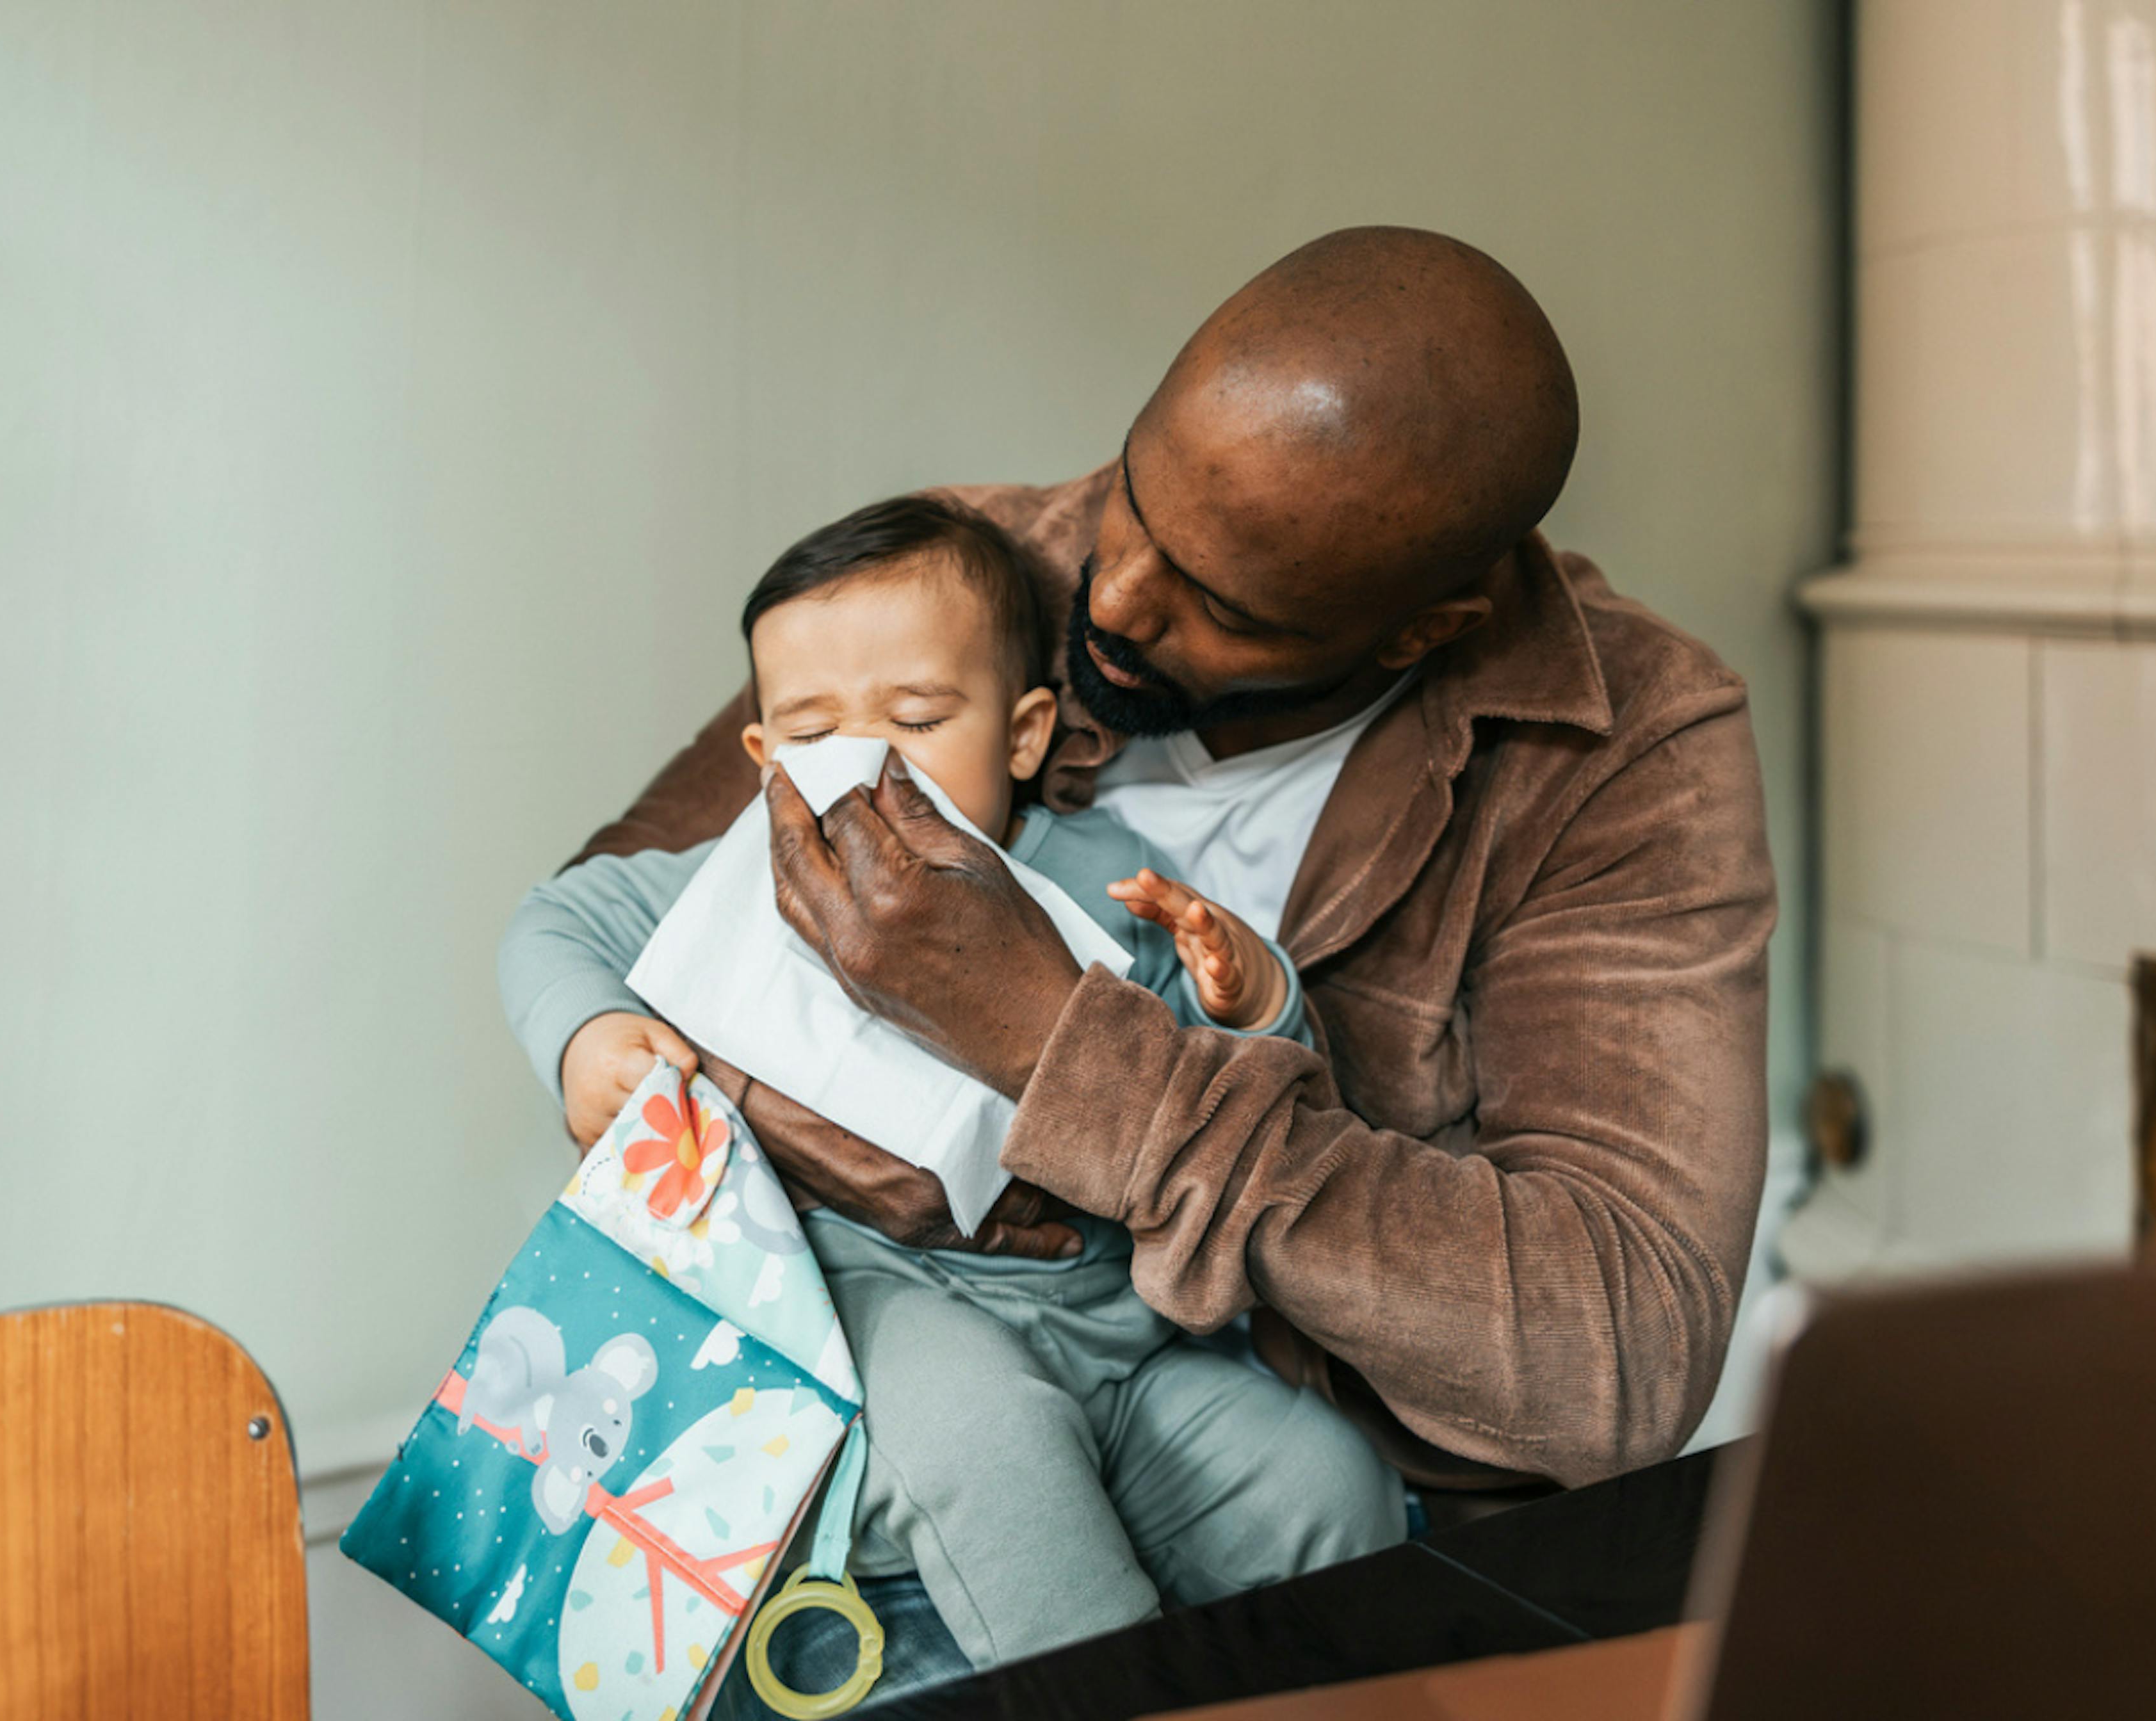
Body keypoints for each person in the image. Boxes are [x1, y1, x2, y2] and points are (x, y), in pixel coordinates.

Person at [567, 226, 1778, 1697]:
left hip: (1308, 1513)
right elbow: (631, 942)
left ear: (1427, 626)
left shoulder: (1625, 750)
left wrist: (1050, 1044)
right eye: (1134, 494)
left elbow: (1616, 1358)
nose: (1118, 597)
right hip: (894, 1466)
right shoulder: (962, 577)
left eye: (1232, 605)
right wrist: (826, 1135)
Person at [499, 496, 1407, 1676]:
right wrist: (591, 1037)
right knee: (988, 1440)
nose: (865, 763)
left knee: (1323, 1481)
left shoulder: (1109, 880)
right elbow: (555, 918)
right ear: (765, 761)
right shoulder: (743, 874)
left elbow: (1245, 1096)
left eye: (919, 719)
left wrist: (1256, 1000)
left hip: (1123, 1345)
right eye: (814, 733)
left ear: (1024, 736)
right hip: (883, 1318)